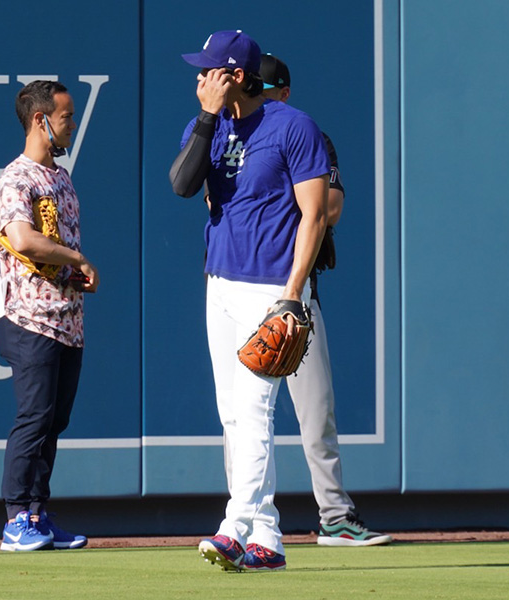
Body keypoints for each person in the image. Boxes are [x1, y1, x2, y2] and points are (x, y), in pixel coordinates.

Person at [169, 29, 330, 572]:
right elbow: (182, 185)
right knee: (231, 416)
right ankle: (268, 537)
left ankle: (233, 527)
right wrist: (209, 117)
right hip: (221, 283)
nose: (200, 79)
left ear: (235, 75)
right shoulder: (207, 126)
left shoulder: (293, 126)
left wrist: (293, 294)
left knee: (255, 410)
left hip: (271, 287)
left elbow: (314, 215)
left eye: (209, 70)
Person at [259, 52, 392, 548]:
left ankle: (334, 516)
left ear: (284, 93)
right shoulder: (233, 138)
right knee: (244, 417)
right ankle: (246, 521)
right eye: (256, 89)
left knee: (317, 411)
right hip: (242, 287)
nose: (263, 98)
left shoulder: (304, 134)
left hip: (296, 291)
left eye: (270, 91)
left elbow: (329, 208)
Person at [0, 80, 99, 552]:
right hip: (29, 318)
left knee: (54, 421)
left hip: (67, 318)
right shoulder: (17, 178)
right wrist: (77, 260)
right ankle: (15, 517)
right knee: (34, 416)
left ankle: (36, 512)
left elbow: (52, 251)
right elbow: (23, 238)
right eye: (65, 117)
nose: (72, 125)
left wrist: (75, 275)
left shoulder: (61, 177)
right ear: (40, 120)